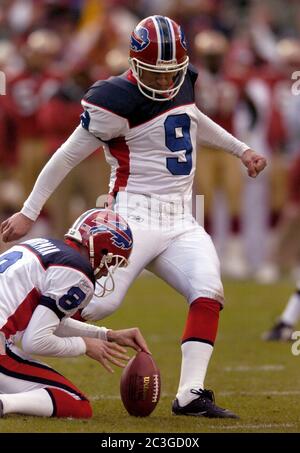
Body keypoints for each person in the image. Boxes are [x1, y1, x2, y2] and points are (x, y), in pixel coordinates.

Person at [1, 16, 267, 418]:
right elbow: (67, 155)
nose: (163, 84)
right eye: (154, 75)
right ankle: (18, 336)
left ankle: (191, 394)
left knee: (208, 292)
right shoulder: (114, 99)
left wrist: (240, 148)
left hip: (181, 217)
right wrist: (29, 210)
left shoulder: (184, 81)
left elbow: (192, 121)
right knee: (99, 302)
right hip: (131, 216)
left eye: (169, 75)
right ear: (134, 63)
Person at [0, 208, 150, 418]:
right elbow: (34, 340)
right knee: (77, 403)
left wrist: (106, 334)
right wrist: (84, 345)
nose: (108, 270)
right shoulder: (77, 271)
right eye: (113, 262)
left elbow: (47, 320)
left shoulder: (40, 244)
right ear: (102, 250)